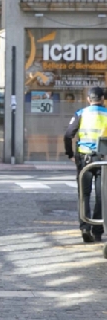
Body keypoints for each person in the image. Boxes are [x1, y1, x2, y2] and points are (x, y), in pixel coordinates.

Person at [64, 86, 107, 243]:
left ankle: (85, 227)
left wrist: (70, 154)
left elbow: (68, 134)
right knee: (102, 196)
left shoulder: (81, 113)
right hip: (103, 160)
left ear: (88, 99)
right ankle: (97, 231)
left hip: (84, 160)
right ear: (102, 99)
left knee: (84, 194)